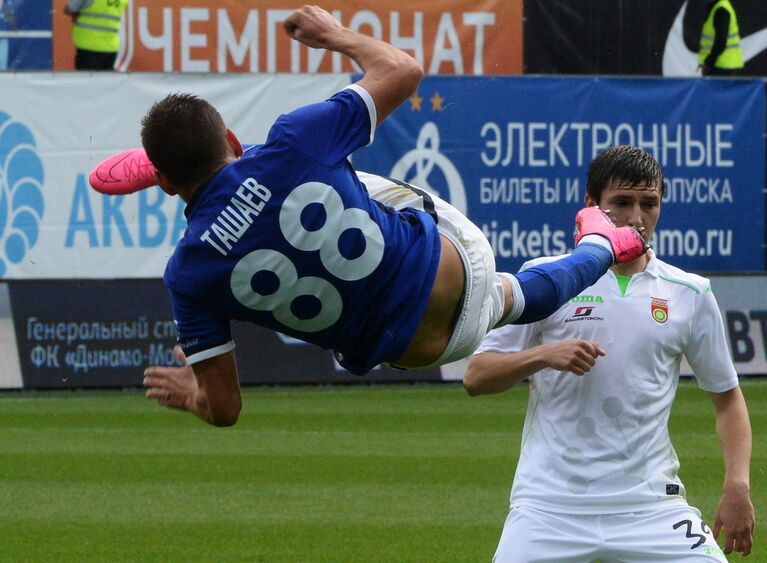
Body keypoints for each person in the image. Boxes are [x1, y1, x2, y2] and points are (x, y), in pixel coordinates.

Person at [125, 5, 647, 427]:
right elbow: (402, 69)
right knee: (335, 170)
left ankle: (601, 247)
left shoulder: (187, 276)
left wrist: (195, 395)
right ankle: (601, 242)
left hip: (431, 347)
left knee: (515, 297)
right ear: (233, 142)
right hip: (457, 259)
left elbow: (225, 409)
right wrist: (333, 33)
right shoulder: (290, 141)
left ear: (165, 182)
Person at [465, 145, 754, 561]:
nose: (637, 218)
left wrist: (737, 484)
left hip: (652, 508)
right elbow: (477, 376)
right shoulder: (546, 278)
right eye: (622, 203)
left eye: (649, 203)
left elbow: (727, 398)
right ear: (592, 206)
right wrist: (543, 356)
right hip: (548, 508)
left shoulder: (689, 292)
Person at [64, 0, 127, 71]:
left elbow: (69, 9)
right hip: (111, 47)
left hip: (89, 45)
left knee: (87, 80)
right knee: (105, 81)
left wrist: (77, 14)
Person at [699, 0, 744, 76]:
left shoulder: (721, 9)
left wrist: (709, 63)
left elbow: (721, 41)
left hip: (719, 65)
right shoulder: (721, 6)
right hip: (721, 64)